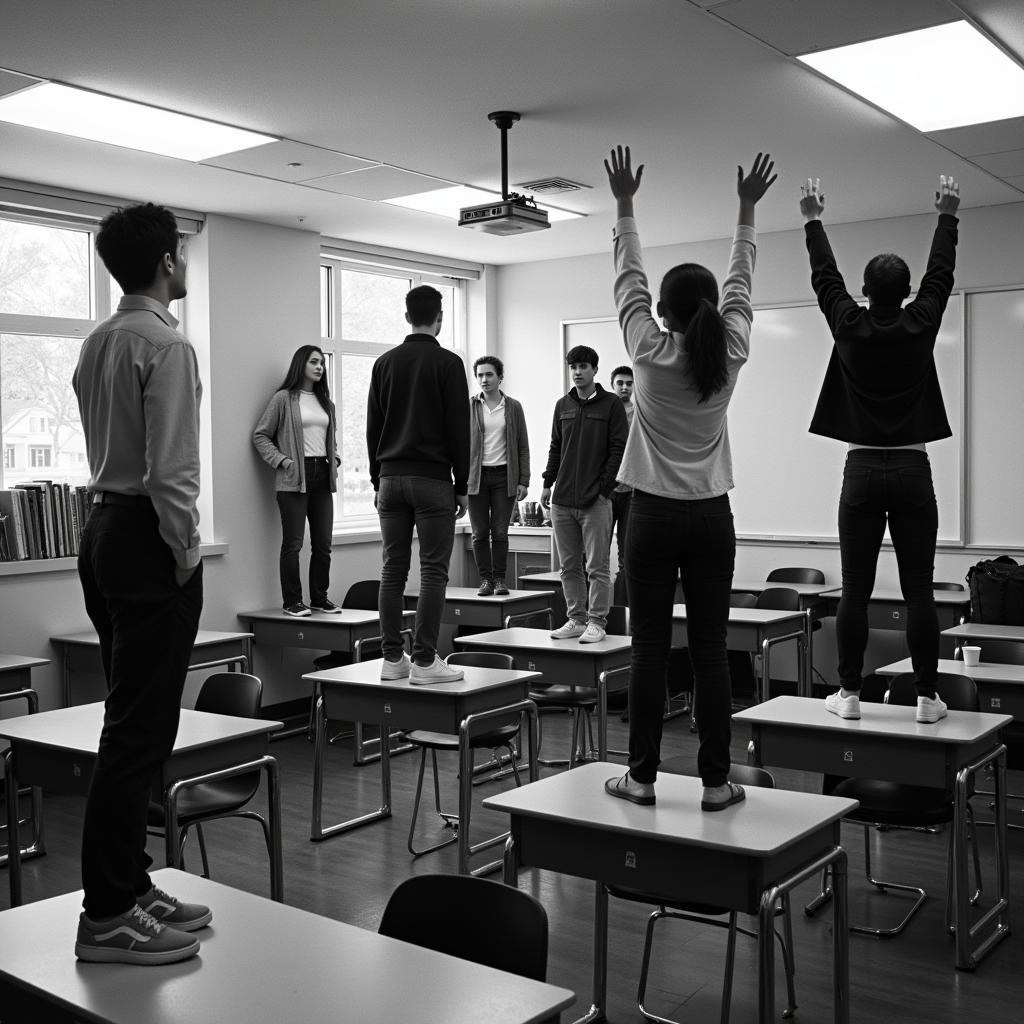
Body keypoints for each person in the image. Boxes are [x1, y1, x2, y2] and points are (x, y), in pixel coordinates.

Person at [602, 146, 777, 810]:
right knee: (709, 652)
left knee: (649, 651)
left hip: (650, 514)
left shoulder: (645, 350)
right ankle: (715, 783)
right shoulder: (731, 351)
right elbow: (742, 280)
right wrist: (746, 209)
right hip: (710, 517)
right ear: (710, 310)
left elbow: (628, 275)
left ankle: (640, 778)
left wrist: (624, 201)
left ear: (664, 314)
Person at [72, 203, 208, 964]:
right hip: (145, 537)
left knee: (135, 722)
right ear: (164, 261)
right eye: (181, 251)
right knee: (138, 731)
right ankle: (107, 914)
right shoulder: (167, 344)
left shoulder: (99, 341)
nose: (184, 262)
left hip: (101, 531)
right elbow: (171, 473)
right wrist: (185, 555)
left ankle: (131, 882)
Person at [800, 174, 961, 725]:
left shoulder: (848, 324)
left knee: (856, 588)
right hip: (914, 469)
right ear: (908, 289)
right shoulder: (921, 322)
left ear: (866, 293)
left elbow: (825, 277)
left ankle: (847, 696)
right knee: (919, 588)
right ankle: (925, 699)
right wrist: (947, 216)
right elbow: (943, 273)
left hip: (861, 468)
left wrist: (813, 219)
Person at [367, 284, 471, 683]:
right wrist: (461, 484)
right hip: (431, 480)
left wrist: (378, 479)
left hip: (389, 479)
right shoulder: (448, 363)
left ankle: (393, 659)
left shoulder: (384, 363)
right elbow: (458, 429)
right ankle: (426, 662)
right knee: (432, 572)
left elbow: (372, 427)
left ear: (407, 317)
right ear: (439, 318)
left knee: (392, 570)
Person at [541, 344, 628, 644]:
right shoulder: (562, 405)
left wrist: (605, 489)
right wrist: (547, 483)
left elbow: (619, 450)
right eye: (573, 367)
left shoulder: (611, 405)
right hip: (562, 501)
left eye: (583, 367)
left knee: (597, 566)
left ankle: (597, 622)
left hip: (597, 501)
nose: (577, 372)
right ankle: (576, 619)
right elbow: (555, 447)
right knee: (568, 567)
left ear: (594, 369)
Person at [253, 345, 341, 617]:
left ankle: (319, 598)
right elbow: (260, 435)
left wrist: (334, 457)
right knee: (293, 543)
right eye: (313, 362)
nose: (319, 367)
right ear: (300, 364)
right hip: (293, 478)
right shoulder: (284, 398)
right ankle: (292, 601)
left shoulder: (326, 402)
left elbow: (329, 439)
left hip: (322, 475)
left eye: (321, 363)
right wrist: (282, 461)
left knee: (323, 543)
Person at [468, 356, 530, 596]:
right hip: (477, 478)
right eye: (480, 375)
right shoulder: (471, 406)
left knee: (500, 531)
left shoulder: (513, 407)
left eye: (489, 374)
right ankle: (486, 580)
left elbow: (522, 445)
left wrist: (524, 479)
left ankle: (500, 580)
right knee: (479, 532)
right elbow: (461, 444)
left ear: (500, 377)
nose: (484, 379)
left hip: (505, 476)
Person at [609, 364, 634, 605]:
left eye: (628, 383)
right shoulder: (605, 410)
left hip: (633, 491)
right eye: (620, 383)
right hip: (606, 491)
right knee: (595, 555)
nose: (624, 387)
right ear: (612, 385)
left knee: (628, 556)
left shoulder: (641, 413)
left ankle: (623, 612)